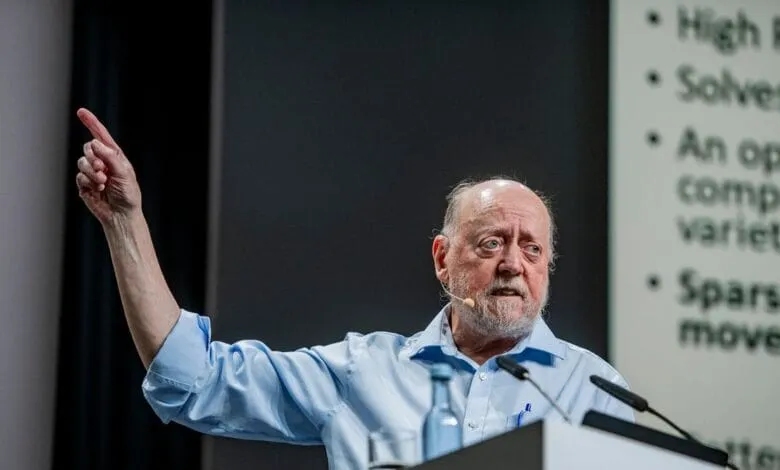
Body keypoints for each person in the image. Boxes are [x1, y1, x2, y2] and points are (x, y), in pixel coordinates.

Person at [74, 107, 634, 470]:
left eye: (532, 249)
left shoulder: (594, 389)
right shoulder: (362, 371)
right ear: (443, 260)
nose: (514, 263)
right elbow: (195, 380)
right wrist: (125, 223)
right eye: (491, 243)